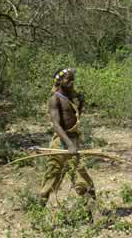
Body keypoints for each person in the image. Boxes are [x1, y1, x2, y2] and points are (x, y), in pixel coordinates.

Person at [38, 68, 96, 203]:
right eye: (68, 79)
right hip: (61, 142)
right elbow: (56, 125)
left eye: (73, 79)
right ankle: (38, 212)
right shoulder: (55, 99)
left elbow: (75, 118)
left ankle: (94, 214)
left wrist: (80, 104)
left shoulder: (72, 98)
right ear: (59, 81)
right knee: (52, 177)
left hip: (73, 141)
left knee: (82, 180)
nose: (72, 82)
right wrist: (69, 144)